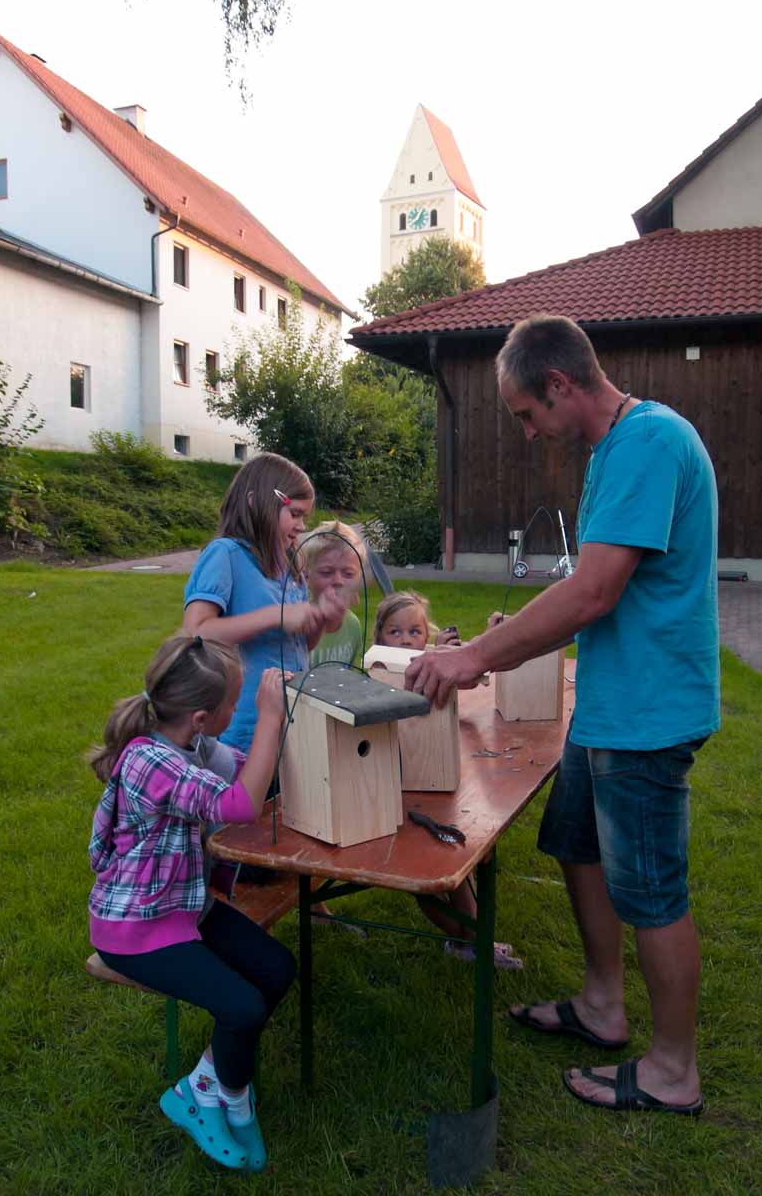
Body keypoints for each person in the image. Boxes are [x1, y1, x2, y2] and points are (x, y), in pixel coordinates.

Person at [405, 314, 719, 1116]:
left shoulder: (648, 443)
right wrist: (502, 637)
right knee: (576, 841)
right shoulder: (615, 449)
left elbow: (594, 592)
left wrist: (477, 658)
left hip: (648, 713)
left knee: (651, 890)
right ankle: (603, 1005)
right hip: (612, 703)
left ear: (559, 384)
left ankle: (674, 1072)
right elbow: (589, 590)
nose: (527, 431)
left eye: (526, 413)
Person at [87, 635, 295, 1170]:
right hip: (135, 928)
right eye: (235, 705)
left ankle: (205, 1083)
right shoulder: (150, 761)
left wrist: (295, 728)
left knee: (276, 968)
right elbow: (241, 804)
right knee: (242, 1006)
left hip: (184, 908)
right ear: (202, 717)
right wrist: (270, 717)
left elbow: (249, 772)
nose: (239, 712)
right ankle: (228, 1100)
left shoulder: (195, 746)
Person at [374, 590, 523, 971]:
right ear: (379, 637)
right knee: (420, 877)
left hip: (436, 783)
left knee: (456, 858)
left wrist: (458, 649)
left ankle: (471, 941)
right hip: (397, 793)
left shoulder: (429, 665)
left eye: (414, 632)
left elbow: (470, 679)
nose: (405, 640)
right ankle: (470, 940)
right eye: (395, 632)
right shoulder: (379, 674)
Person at [182, 453, 342, 753]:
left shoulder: (291, 564)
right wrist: (276, 615)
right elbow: (194, 633)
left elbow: (299, 646)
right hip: (240, 730)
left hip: (290, 720)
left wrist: (320, 617)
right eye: (295, 514)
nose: (301, 526)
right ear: (256, 503)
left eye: (305, 517)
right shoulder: (226, 555)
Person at [301, 520, 366, 668]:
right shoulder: (300, 625)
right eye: (326, 572)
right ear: (306, 577)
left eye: (348, 574)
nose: (338, 581)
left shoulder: (353, 626)